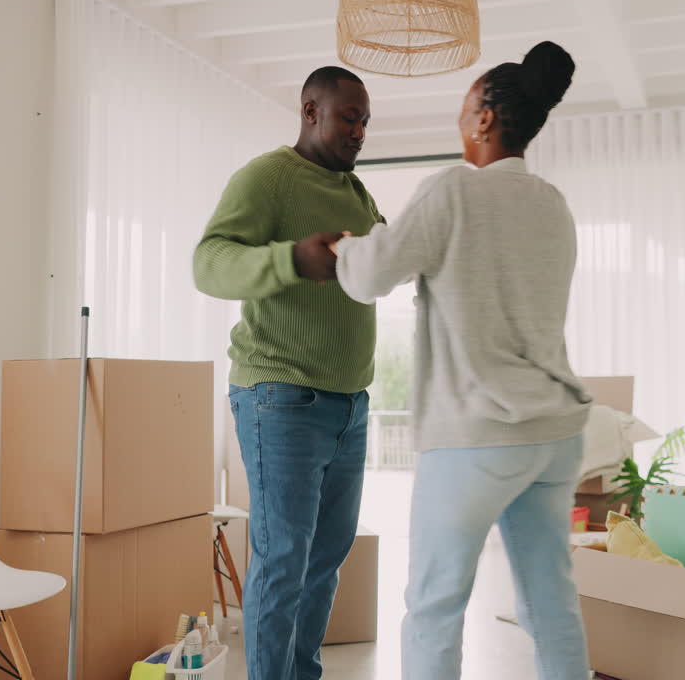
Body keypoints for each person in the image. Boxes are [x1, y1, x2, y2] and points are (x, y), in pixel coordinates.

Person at [331, 41, 593, 680]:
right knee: (551, 603)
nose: (459, 114)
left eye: (465, 102)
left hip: (474, 438)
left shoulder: (452, 191)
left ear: (484, 119)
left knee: (435, 606)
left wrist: (344, 245)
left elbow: (371, 276)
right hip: (554, 433)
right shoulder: (553, 205)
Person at [192, 66, 383, 680]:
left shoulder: (357, 193)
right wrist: (292, 258)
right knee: (282, 560)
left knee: (325, 560)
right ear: (309, 111)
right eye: (348, 117)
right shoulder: (267, 178)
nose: (359, 131)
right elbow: (209, 262)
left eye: (365, 122)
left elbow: (378, 263)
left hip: (349, 404)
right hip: (281, 394)